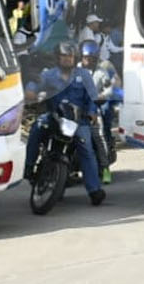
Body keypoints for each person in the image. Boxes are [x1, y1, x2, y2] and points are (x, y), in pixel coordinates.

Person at [25, 41, 107, 205]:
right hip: (54, 117)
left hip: (78, 120)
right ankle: (29, 167)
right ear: (57, 58)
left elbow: (92, 97)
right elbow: (34, 85)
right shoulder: (48, 75)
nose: (67, 59)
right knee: (36, 128)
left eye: (70, 56)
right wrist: (31, 92)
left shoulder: (83, 75)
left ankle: (94, 190)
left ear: (75, 57)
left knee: (86, 149)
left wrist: (92, 113)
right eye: (64, 56)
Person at [78, 38, 119, 178]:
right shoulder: (75, 70)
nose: (88, 61)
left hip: (93, 110)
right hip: (74, 109)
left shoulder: (102, 72)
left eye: (92, 58)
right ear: (82, 57)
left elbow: (109, 89)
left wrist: (102, 95)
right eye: (86, 58)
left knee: (99, 138)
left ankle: (105, 168)